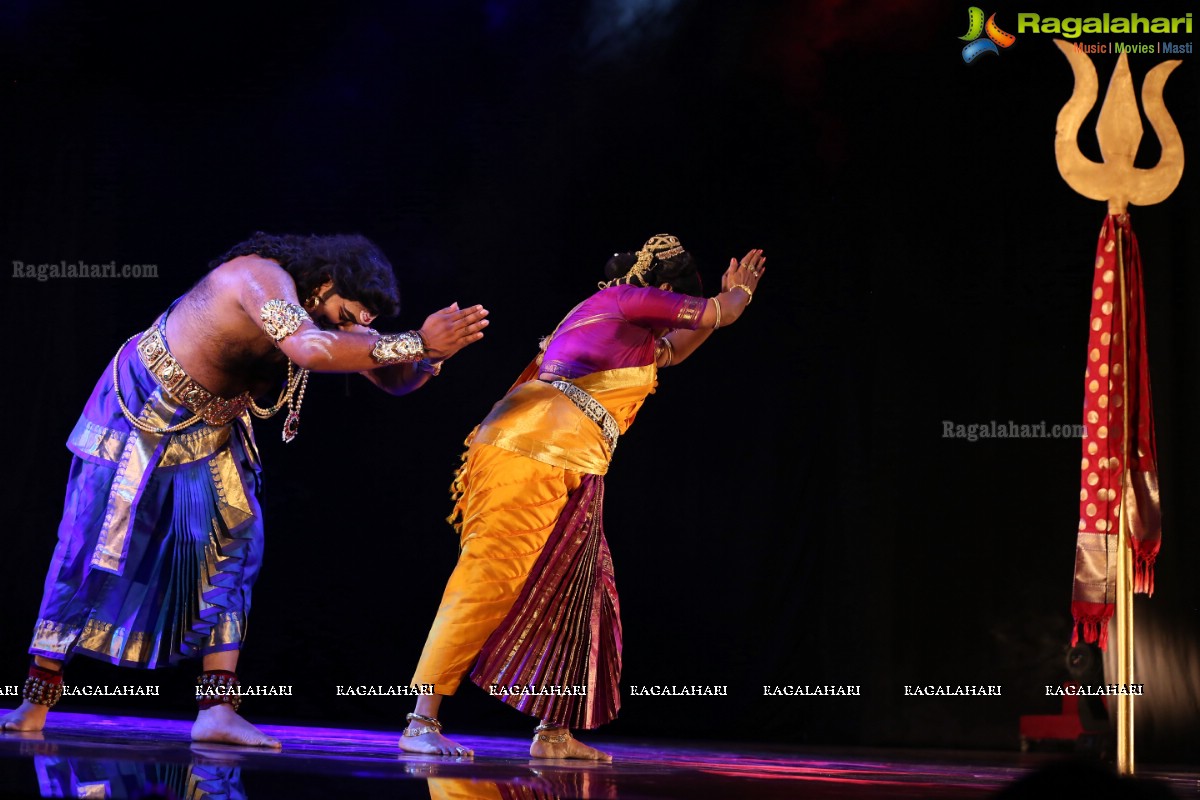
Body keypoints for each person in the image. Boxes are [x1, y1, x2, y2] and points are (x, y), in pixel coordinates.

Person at [0, 232, 489, 748]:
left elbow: (393, 379)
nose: (348, 328)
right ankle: (36, 698)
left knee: (238, 545)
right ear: (322, 285)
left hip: (215, 426)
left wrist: (435, 354)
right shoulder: (259, 278)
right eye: (346, 314)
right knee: (93, 544)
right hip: (141, 408)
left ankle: (216, 710)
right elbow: (312, 347)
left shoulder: (323, 317)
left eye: (358, 323)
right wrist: (416, 340)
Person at [398, 233, 764, 760]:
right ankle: (420, 719)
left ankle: (553, 732)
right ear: (663, 288)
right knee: (489, 575)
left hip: (576, 463)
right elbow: (713, 313)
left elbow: (677, 350)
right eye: (673, 305)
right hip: (531, 449)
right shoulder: (626, 299)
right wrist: (739, 294)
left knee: (578, 591)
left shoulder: (630, 335)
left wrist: (723, 311)